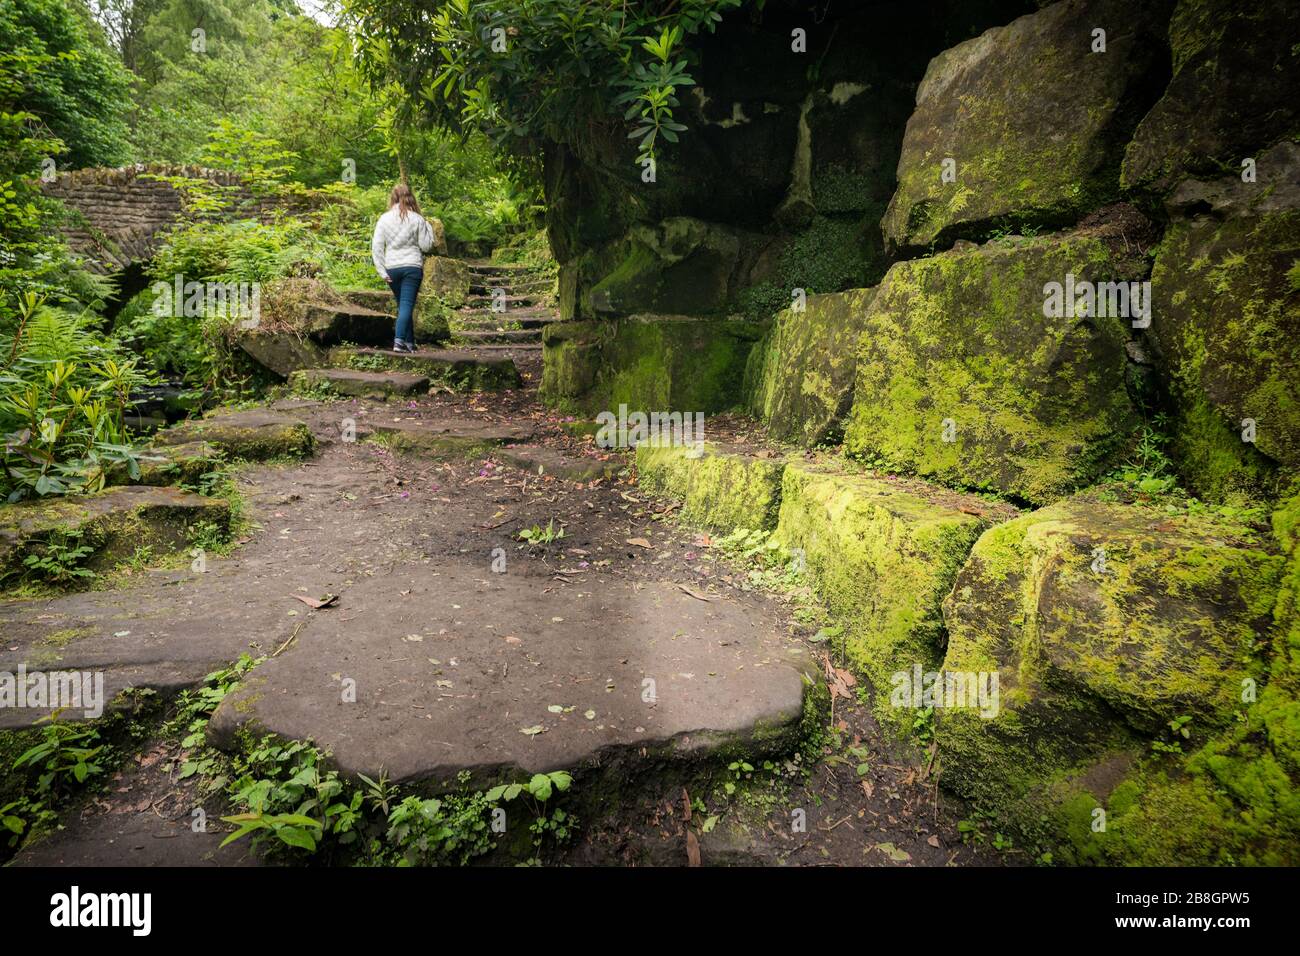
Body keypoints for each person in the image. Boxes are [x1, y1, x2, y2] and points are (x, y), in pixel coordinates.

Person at [371, 183, 435, 352]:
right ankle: (398, 341)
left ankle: (410, 343)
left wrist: (381, 270)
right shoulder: (418, 219)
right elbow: (426, 246)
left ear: (393, 197)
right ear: (410, 197)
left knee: (403, 305)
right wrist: (428, 227)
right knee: (407, 305)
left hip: (392, 267)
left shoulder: (383, 219)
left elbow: (377, 246)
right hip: (412, 267)